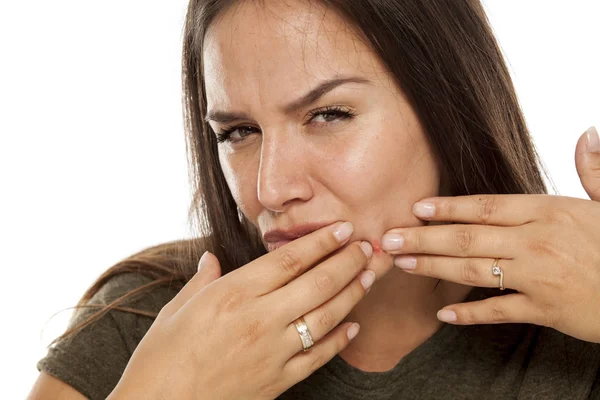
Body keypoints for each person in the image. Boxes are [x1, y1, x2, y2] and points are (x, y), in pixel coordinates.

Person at [27, 0, 600, 399]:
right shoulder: (145, 324)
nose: (270, 190)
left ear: (450, 109)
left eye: (328, 115)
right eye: (237, 133)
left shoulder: (580, 328)